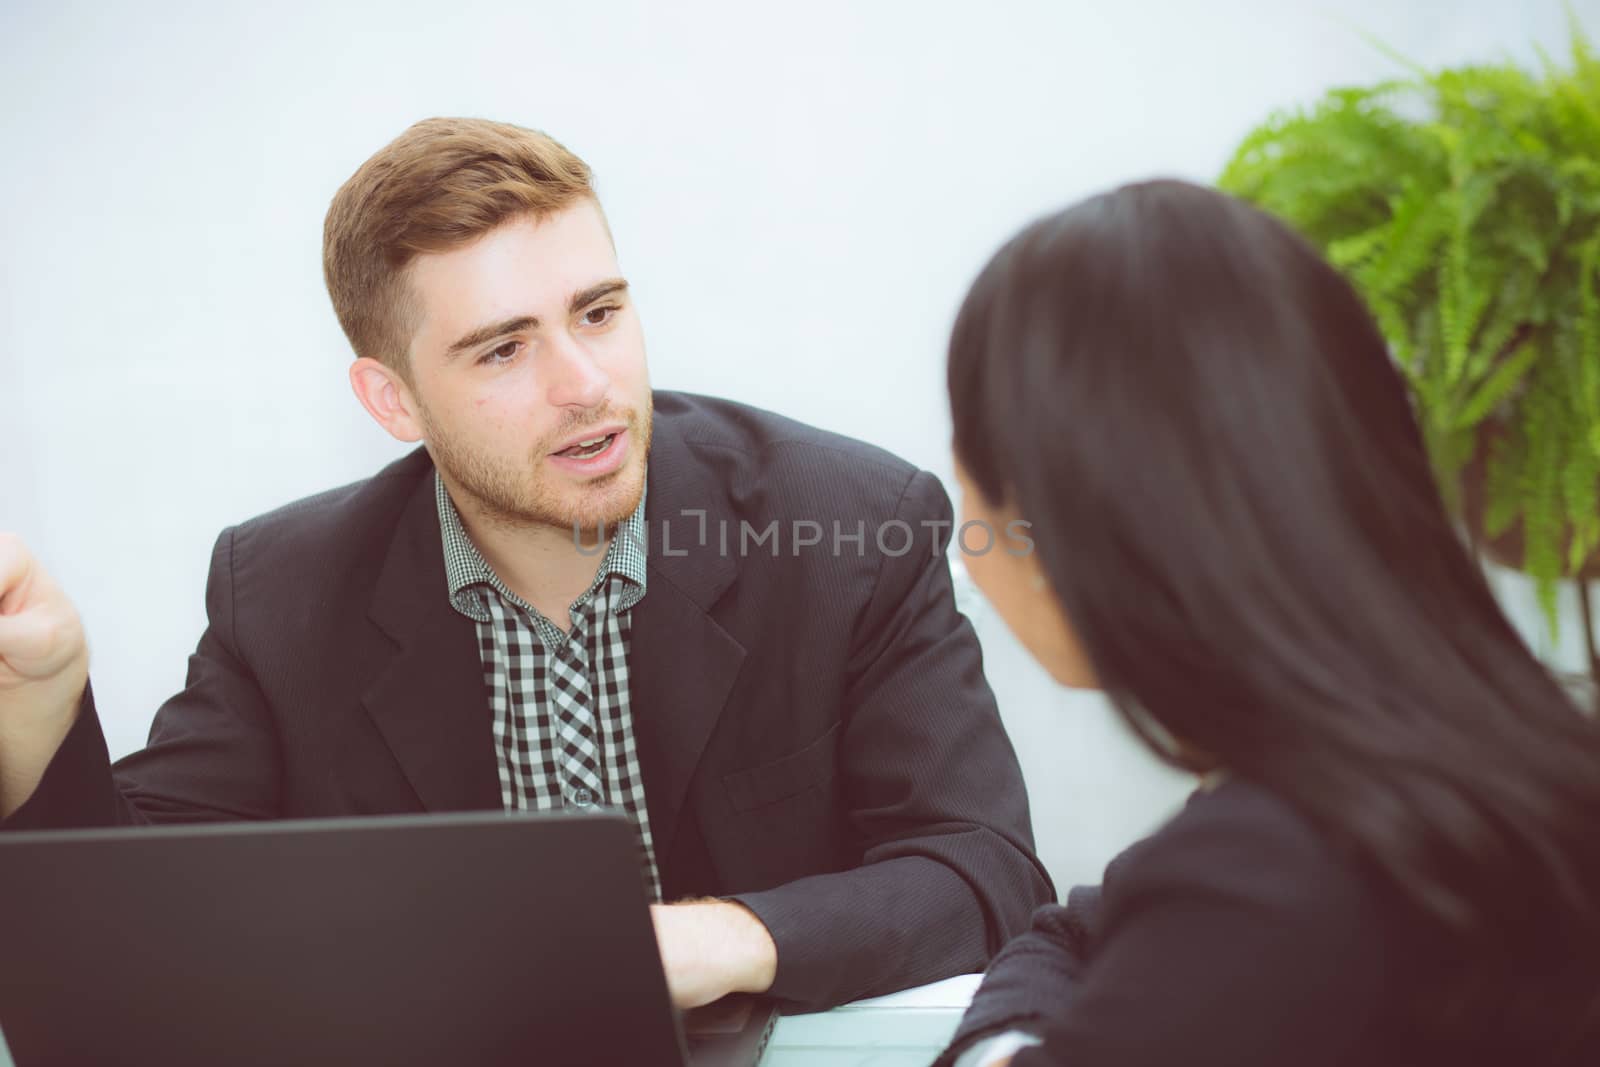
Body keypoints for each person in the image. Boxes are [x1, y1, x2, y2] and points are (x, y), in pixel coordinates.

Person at [0, 116, 1054, 1014]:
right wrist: (42, 721)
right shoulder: (280, 592)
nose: (585, 382)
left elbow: (981, 871)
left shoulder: (850, 527)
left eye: (598, 312)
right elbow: (145, 928)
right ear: (391, 401)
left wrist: (695, 944)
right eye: (504, 348)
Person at [934, 179, 1600, 1066]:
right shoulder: (1493, 771)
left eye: (967, 490)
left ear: (1052, 537)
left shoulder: (1267, 889)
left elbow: (1084, 930)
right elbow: (1080, 923)